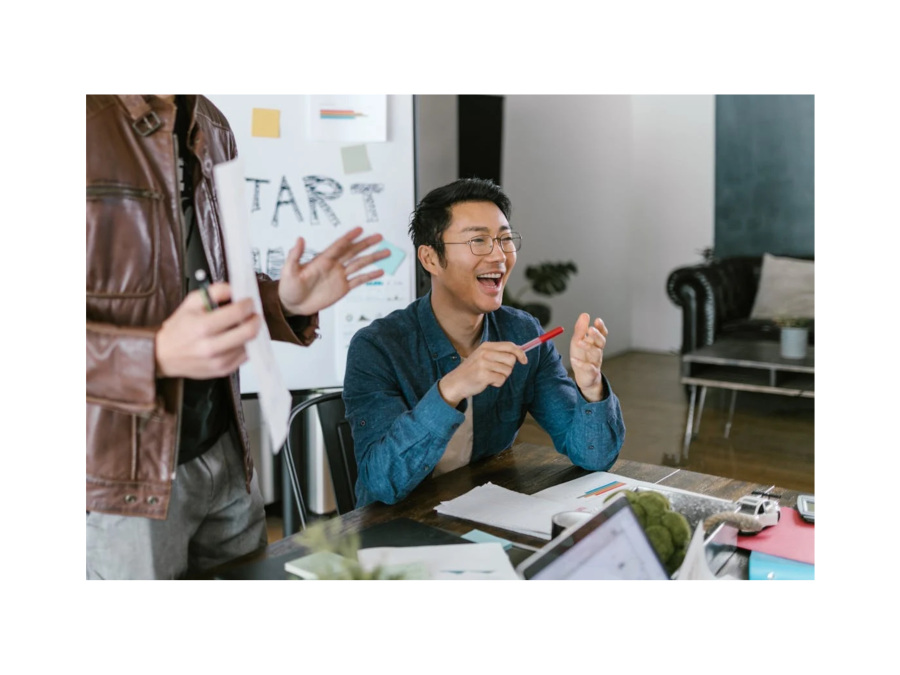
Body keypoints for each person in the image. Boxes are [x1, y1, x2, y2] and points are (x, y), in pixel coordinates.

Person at [86, 95, 389, 579]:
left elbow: (212, 278)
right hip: (122, 473)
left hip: (223, 448)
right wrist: (155, 354)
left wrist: (284, 301)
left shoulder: (211, 122)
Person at [343, 177, 625, 507]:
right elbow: (382, 483)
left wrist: (591, 388)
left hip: (485, 510)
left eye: (504, 240)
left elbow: (594, 457)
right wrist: (452, 389)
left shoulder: (522, 333)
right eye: (478, 240)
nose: (499, 256)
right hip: (394, 529)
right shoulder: (377, 348)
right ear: (430, 258)